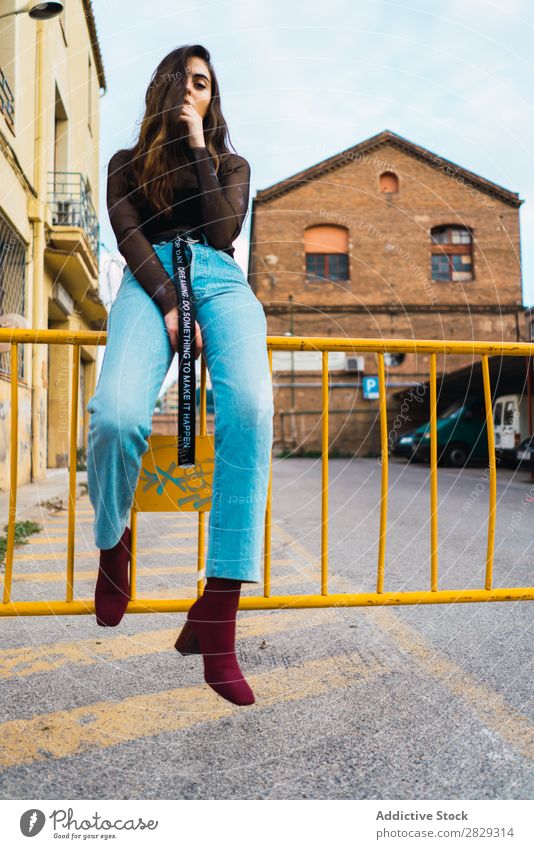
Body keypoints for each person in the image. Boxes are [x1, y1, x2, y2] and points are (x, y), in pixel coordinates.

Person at [86, 44, 274, 707]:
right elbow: (128, 234)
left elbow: (224, 229)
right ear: (162, 88)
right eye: (183, 81)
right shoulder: (125, 165)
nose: (193, 91)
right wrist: (169, 302)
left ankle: (217, 616)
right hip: (148, 280)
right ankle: (115, 543)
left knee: (251, 406)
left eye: (204, 84)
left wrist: (197, 143)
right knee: (116, 416)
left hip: (221, 280)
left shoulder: (231, 165)